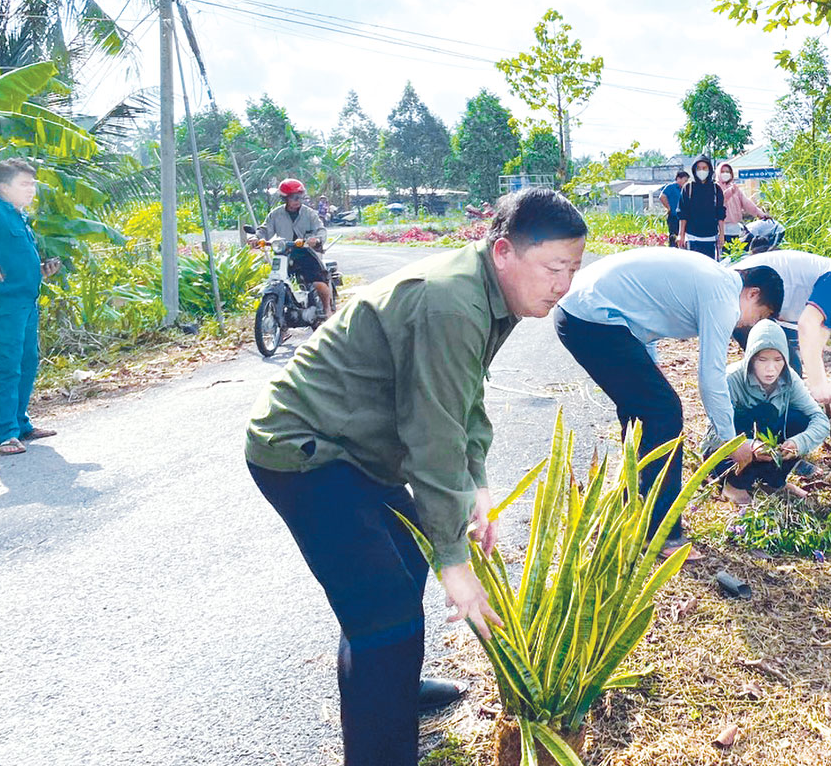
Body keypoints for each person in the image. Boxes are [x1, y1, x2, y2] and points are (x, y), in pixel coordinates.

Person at [244, 188, 587, 766]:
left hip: (355, 448)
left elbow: (461, 398)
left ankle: (392, 690)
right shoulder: (453, 302)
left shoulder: (488, 291)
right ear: (503, 250)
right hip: (305, 450)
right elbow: (432, 436)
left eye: (574, 269)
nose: (564, 285)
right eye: (555, 268)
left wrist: (477, 484)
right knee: (382, 612)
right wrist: (456, 564)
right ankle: (380, 744)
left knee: (401, 568)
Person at [554, 248, 784, 558]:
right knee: (664, 411)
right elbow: (711, 376)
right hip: (590, 317)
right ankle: (659, 533)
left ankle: (630, 512)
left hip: (583, 313)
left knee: (644, 412)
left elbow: (645, 316)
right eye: (759, 315)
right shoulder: (723, 297)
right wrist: (731, 441)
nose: (748, 325)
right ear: (752, 293)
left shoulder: (713, 280)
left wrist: (648, 368)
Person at [731, 249, 831, 406]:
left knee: (787, 371)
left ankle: (780, 421)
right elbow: (807, 325)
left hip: (757, 308)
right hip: (745, 295)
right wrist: (818, 384)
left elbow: (815, 343)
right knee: (780, 369)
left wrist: (825, 394)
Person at [706, 319, 830, 506]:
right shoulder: (731, 379)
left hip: (765, 450)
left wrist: (797, 443)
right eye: (762, 360)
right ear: (750, 358)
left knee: (800, 419)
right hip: (727, 457)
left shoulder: (789, 379)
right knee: (763, 413)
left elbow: (820, 420)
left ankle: (773, 482)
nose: (771, 369)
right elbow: (713, 436)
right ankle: (734, 486)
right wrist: (745, 445)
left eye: (778, 360)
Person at [0, 158, 59, 456]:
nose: (31, 189)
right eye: (24, 184)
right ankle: (4, 433)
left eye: (32, 184)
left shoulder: (18, 216)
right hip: (3, 305)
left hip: (25, 301)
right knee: (6, 366)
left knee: (27, 362)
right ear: (3, 187)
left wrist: (41, 269)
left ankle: (21, 424)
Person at [256, 178, 334, 319]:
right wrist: (256, 238)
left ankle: (327, 310)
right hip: (284, 253)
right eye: (293, 198)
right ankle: (281, 321)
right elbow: (264, 229)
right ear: (285, 198)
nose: (297, 201)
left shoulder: (309, 213)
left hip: (306, 252)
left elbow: (321, 229)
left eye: (300, 197)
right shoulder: (275, 214)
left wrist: (316, 239)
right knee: (277, 280)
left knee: (318, 281)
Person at [675, 154, 725, 259]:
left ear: (709, 170)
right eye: (698, 168)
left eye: (704, 168)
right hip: (692, 237)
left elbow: (720, 213)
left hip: (711, 237)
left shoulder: (716, 189)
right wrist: (681, 234)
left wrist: (721, 234)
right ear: (694, 170)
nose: (701, 171)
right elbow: (682, 213)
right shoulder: (688, 188)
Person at [717, 162, 767, 249]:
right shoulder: (715, 187)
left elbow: (747, 204)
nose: (725, 174)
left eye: (728, 172)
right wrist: (729, 192)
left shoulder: (735, 189)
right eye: (723, 172)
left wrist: (761, 214)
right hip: (721, 230)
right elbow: (719, 201)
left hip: (735, 229)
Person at [658, 170, 690, 247]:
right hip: (674, 216)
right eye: (685, 180)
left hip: (683, 217)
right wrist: (668, 207)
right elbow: (662, 196)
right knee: (673, 236)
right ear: (679, 179)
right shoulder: (671, 187)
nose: (686, 182)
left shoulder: (685, 189)